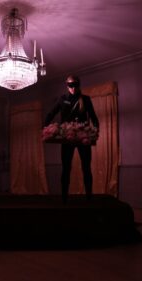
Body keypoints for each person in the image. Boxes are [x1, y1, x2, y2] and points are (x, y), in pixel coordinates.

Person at [44, 75, 99, 203]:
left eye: (75, 85)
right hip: (67, 137)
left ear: (79, 84)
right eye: (70, 85)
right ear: (67, 86)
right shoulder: (62, 99)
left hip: (82, 136)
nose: (73, 88)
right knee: (66, 168)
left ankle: (89, 198)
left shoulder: (85, 99)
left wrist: (96, 131)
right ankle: (64, 198)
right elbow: (51, 114)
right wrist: (44, 128)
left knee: (86, 167)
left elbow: (93, 116)